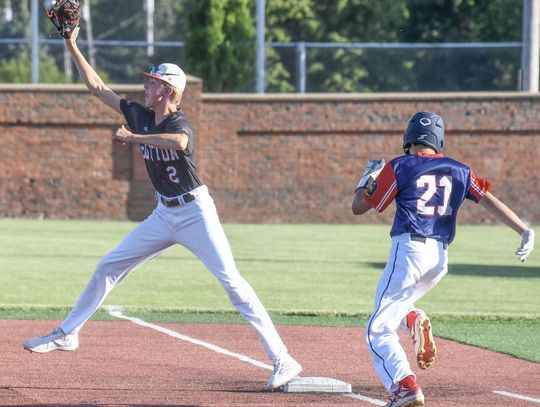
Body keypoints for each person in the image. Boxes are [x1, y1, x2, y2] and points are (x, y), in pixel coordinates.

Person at [23, 27, 302, 391]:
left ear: (168, 91)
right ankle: (67, 333)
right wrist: (71, 43)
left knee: (233, 283)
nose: (146, 86)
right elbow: (96, 87)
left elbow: (180, 141)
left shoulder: (176, 122)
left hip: (195, 213)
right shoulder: (139, 114)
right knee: (109, 265)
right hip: (163, 214)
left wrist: (134, 138)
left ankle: (284, 359)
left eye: (153, 82)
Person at [351, 112, 535, 407]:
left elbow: (359, 207)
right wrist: (524, 229)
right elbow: (487, 199)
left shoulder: (400, 165)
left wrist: (365, 181)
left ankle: (404, 385)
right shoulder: (459, 169)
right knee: (395, 306)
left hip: (409, 249)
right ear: (439, 141)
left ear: (408, 139)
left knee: (377, 329)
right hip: (439, 258)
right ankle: (413, 318)